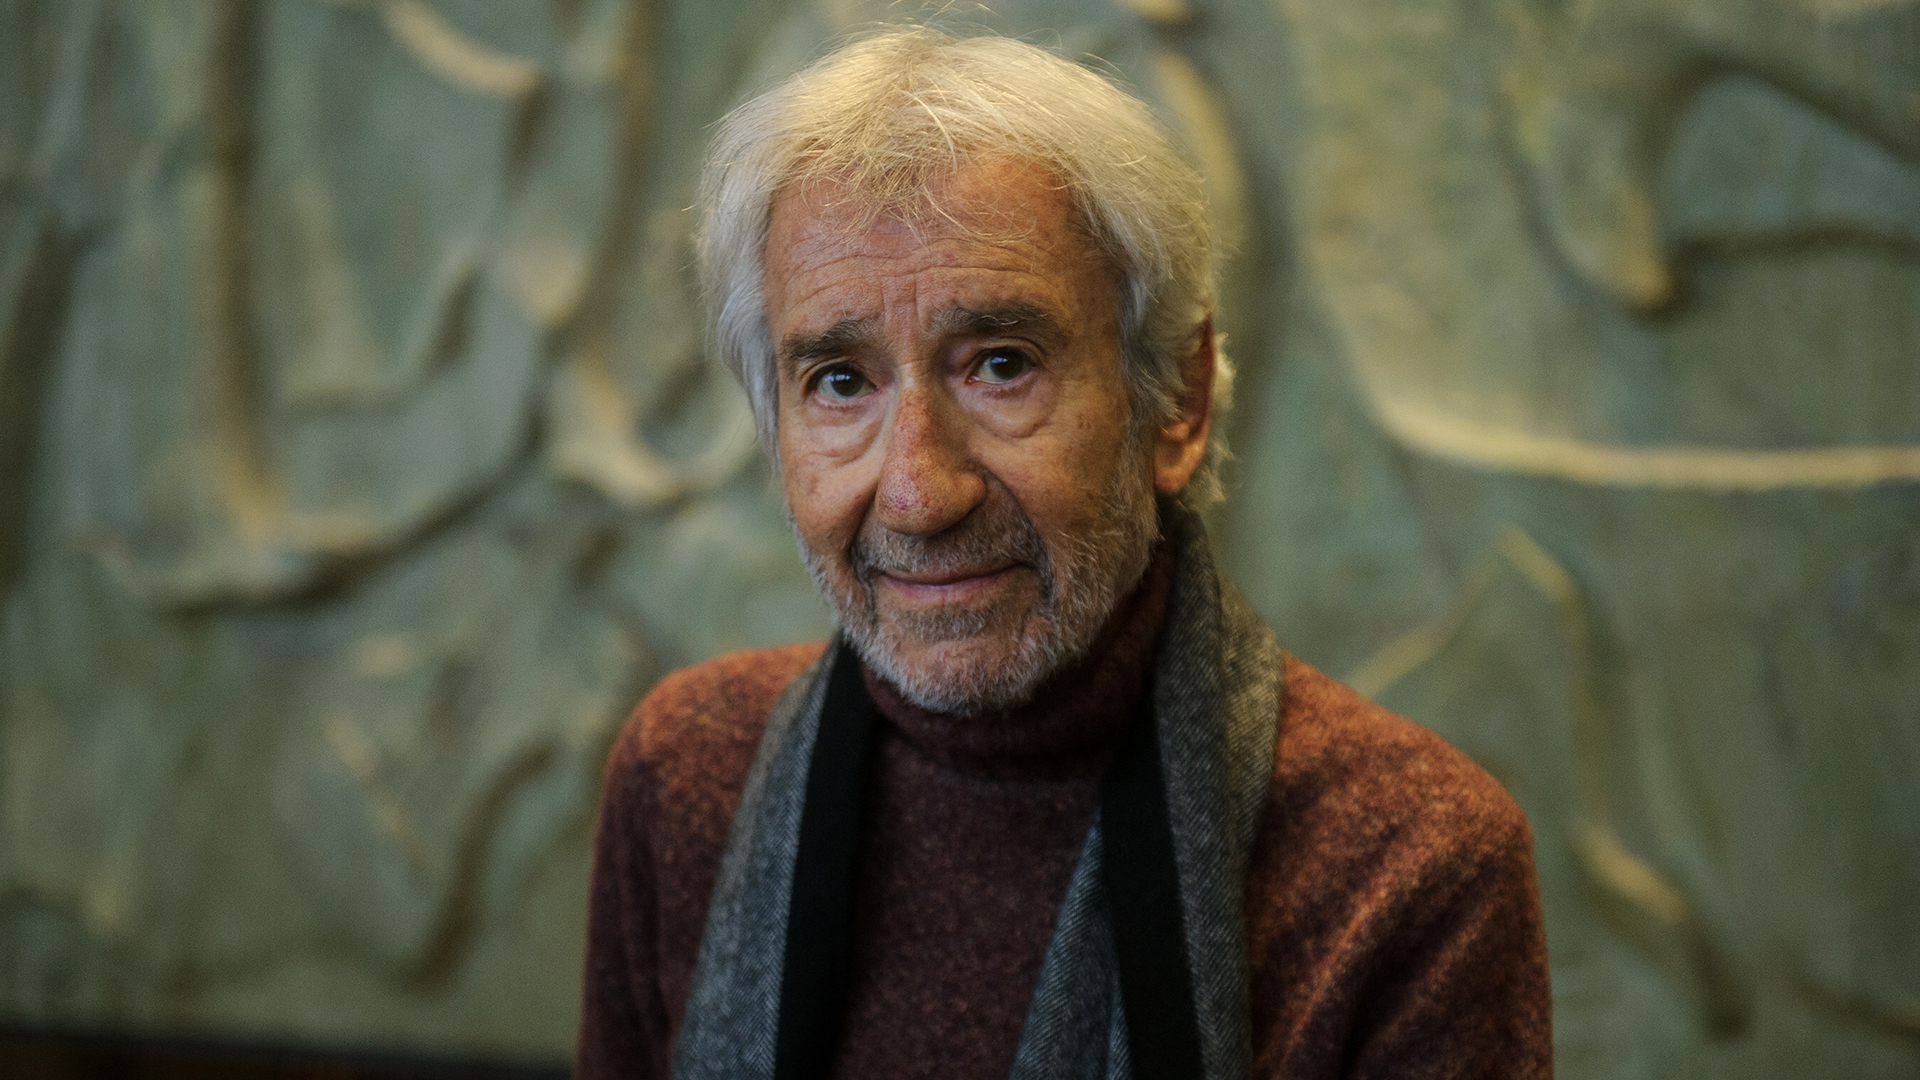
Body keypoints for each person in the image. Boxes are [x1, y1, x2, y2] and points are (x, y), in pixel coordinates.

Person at [577, 26, 1551, 1080]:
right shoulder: (686, 776)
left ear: (1175, 404)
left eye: (1000, 365)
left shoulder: (1410, 866)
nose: (918, 493)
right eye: (842, 383)